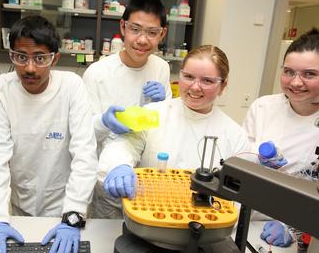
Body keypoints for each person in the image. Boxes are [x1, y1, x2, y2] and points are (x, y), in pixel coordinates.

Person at [0, 15, 97, 253]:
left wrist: (73, 216)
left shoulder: (71, 86)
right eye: (21, 57)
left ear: (55, 59)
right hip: (18, 207)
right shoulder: (2, 88)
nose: (30, 68)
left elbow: (84, 154)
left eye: (40, 58)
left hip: (64, 206)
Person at [97, 45, 249, 210]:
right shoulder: (154, 113)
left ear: (223, 86)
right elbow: (123, 145)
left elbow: (240, 196)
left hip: (205, 224)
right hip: (150, 217)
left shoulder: (235, 135)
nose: (195, 87)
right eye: (189, 77)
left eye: (207, 81)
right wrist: (119, 165)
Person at [243, 28, 319, 247]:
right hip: (250, 217)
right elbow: (240, 157)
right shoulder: (264, 107)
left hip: (303, 229)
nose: (296, 82)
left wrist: (294, 228)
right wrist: (257, 159)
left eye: (309, 74)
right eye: (289, 72)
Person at [83, 0, 172, 218]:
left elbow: (167, 125)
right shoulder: (97, 73)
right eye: (135, 29)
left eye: (152, 32)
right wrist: (104, 122)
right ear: (123, 27)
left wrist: (165, 104)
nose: (142, 40)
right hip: (109, 180)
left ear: (163, 33)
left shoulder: (161, 68)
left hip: (148, 182)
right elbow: (83, 136)